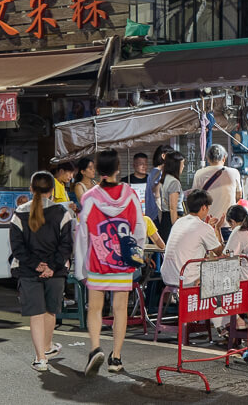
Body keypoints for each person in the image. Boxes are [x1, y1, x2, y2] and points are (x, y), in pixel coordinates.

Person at [74, 149, 145, 376]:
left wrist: (80, 267)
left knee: (95, 308)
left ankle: (95, 348)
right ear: (117, 169)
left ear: (98, 170)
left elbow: (82, 232)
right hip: (122, 262)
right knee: (120, 309)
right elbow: (140, 228)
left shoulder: (89, 197)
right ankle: (116, 357)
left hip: (97, 260)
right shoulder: (130, 194)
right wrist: (137, 253)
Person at [9, 171, 73, 372]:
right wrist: (51, 266)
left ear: (31, 189)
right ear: (53, 191)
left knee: (35, 314)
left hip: (28, 271)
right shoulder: (62, 213)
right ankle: (47, 347)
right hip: (56, 272)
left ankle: (41, 358)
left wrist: (37, 265)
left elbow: (17, 247)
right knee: (50, 310)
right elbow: (66, 246)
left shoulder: (19, 213)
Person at [161, 189, 224, 288]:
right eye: (208, 208)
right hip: (186, 279)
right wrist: (217, 228)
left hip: (167, 276)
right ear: (203, 207)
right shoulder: (204, 227)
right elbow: (220, 252)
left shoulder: (179, 222)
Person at [191, 145, 241, 226]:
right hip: (229, 224)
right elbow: (239, 195)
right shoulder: (234, 173)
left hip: (208, 223)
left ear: (207, 158)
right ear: (224, 158)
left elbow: (194, 199)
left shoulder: (199, 174)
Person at [158, 151, 185, 242]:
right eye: (182, 164)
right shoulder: (174, 182)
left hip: (165, 217)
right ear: (176, 165)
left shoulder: (166, 178)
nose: (183, 167)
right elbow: (173, 208)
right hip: (174, 218)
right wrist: (175, 227)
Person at [145, 145, 172, 223]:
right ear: (163, 156)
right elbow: (157, 193)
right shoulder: (158, 173)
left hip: (153, 215)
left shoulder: (154, 172)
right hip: (157, 215)